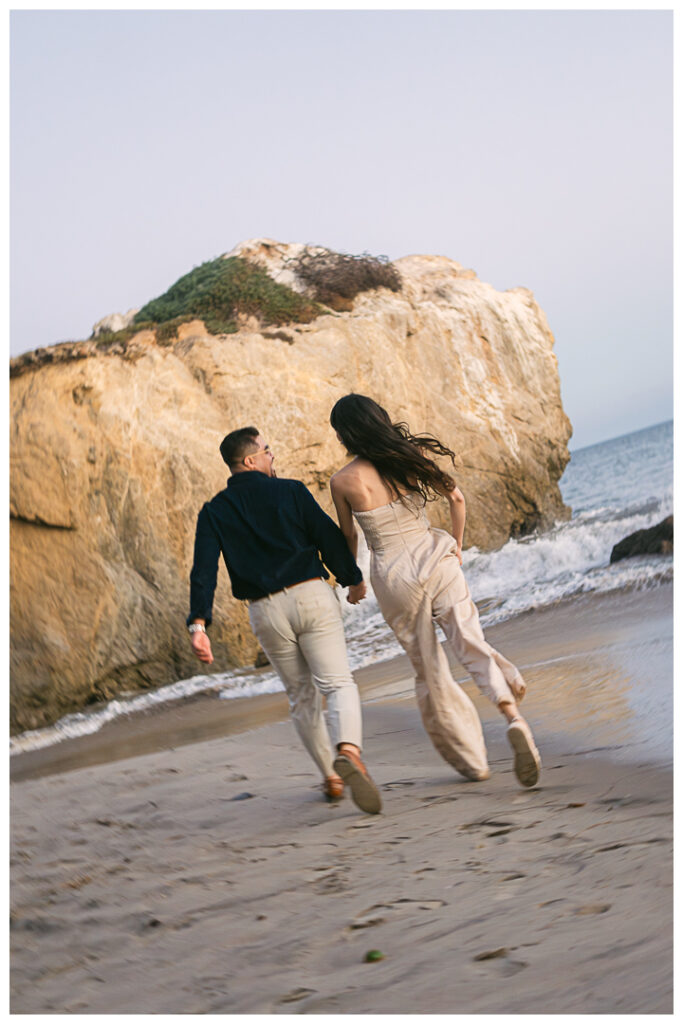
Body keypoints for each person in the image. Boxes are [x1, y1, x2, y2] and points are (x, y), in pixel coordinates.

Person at [328, 394, 541, 788]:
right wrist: (457, 546)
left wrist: (354, 582)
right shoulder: (409, 455)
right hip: (435, 557)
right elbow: (456, 498)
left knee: (429, 668)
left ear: (345, 434)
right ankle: (514, 718)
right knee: (469, 640)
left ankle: (472, 761)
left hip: (393, 577)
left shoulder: (342, 481)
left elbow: (348, 534)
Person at [187, 425, 382, 814]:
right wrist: (353, 579)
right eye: (267, 451)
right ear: (250, 460)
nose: (272, 456)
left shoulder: (214, 511)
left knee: (301, 697)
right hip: (310, 595)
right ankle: (349, 750)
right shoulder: (291, 491)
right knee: (337, 682)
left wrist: (199, 625)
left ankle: (331, 776)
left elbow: (203, 570)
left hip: (265, 611)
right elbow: (327, 537)